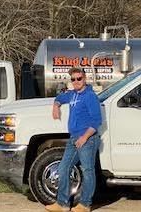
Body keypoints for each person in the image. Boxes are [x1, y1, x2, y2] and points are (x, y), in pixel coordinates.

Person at [45, 68, 102, 212]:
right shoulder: (72, 94)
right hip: (73, 139)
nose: (76, 81)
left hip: (87, 139)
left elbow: (96, 121)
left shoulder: (90, 96)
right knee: (63, 168)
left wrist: (84, 138)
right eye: (73, 79)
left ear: (85, 79)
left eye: (79, 78)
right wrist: (55, 106)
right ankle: (62, 204)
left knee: (88, 170)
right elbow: (59, 98)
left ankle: (85, 204)